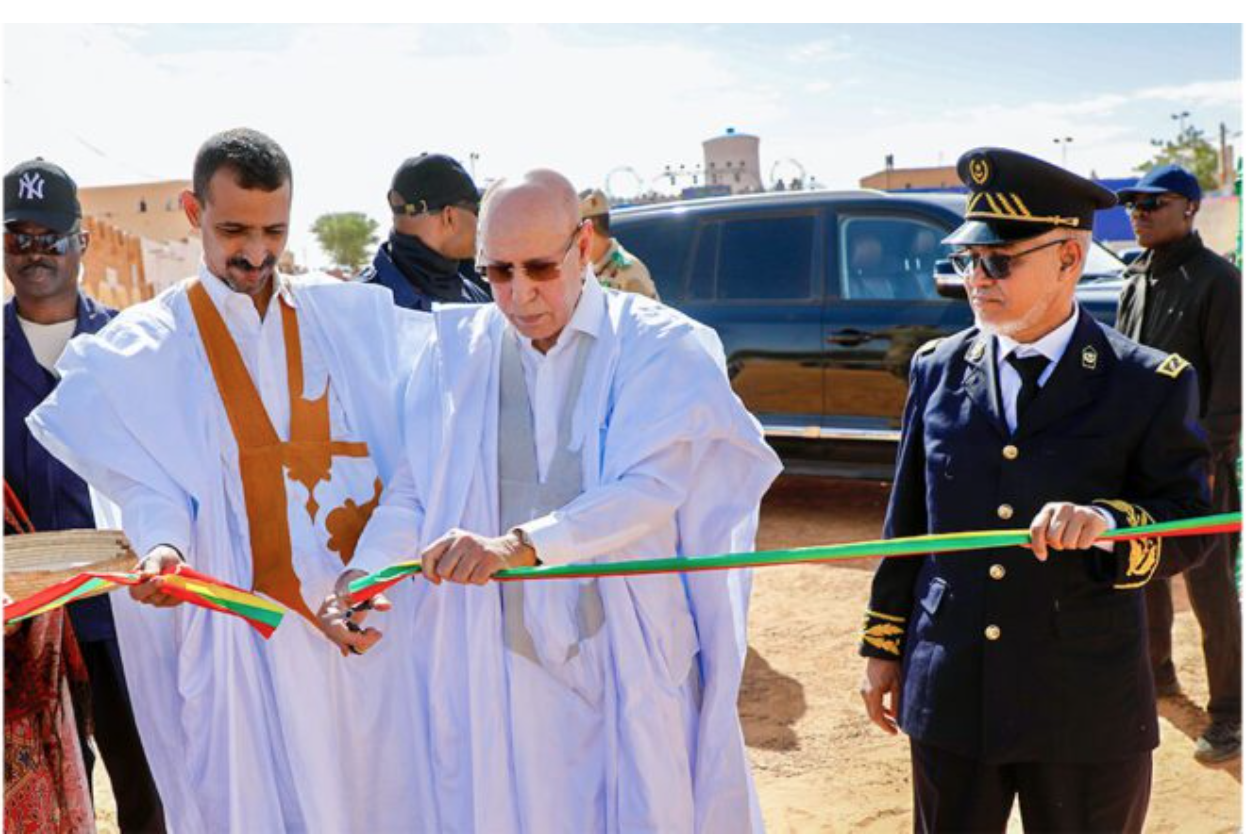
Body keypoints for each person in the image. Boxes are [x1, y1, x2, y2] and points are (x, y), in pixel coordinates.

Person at [318, 169, 782, 832]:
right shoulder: (456, 353)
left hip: (625, 659)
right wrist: (362, 577)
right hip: (495, 671)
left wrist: (518, 546)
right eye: (499, 271)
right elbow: (417, 490)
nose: (519, 293)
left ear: (584, 245)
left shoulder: (657, 346)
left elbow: (647, 489)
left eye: (540, 267)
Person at [27, 128, 425, 832]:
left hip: (353, 640)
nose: (257, 251)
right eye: (234, 229)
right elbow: (146, 487)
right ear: (191, 211)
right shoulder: (146, 347)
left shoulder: (351, 326)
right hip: (241, 648)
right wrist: (165, 549)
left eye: (274, 230)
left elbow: (416, 461)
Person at [858, 148, 1213, 833]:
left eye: (999, 261)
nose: (977, 280)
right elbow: (909, 520)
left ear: (1069, 260)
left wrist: (1110, 522)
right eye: (968, 261)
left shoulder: (1149, 382)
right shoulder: (936, 368)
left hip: (1080, 703)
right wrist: (883, 645)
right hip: (953, 690)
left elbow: (1191, 522)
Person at [3, 158, 165, 832]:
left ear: (84, 242)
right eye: (20, 236)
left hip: (123, 615)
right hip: (21, 625)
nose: (36, 252)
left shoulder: (131, 348)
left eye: (53, 237)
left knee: (148, 790)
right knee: (42, 800)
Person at [1116, 163, 1242, 763]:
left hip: (1199, 469)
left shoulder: (1220, 281)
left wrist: (1212, 461)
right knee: (1144, 577)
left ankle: (1230, 718)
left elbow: (1231, 385)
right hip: (1140, 465)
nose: (1138, 211)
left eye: (1152, 202)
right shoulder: (1135, 278)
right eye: (1131, 202)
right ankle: (1158, 679)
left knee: (1211, 594)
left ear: (1189, 208)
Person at [356, 152, 490, 311]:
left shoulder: (353, 304)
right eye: (477, 212)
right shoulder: (357, 308)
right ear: (449, 217)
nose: (482, 225)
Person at [578, 188, 660, 299]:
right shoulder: (587, 269)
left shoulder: (628, 272)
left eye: (576, 231)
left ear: (589, 229)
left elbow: (647, 314)